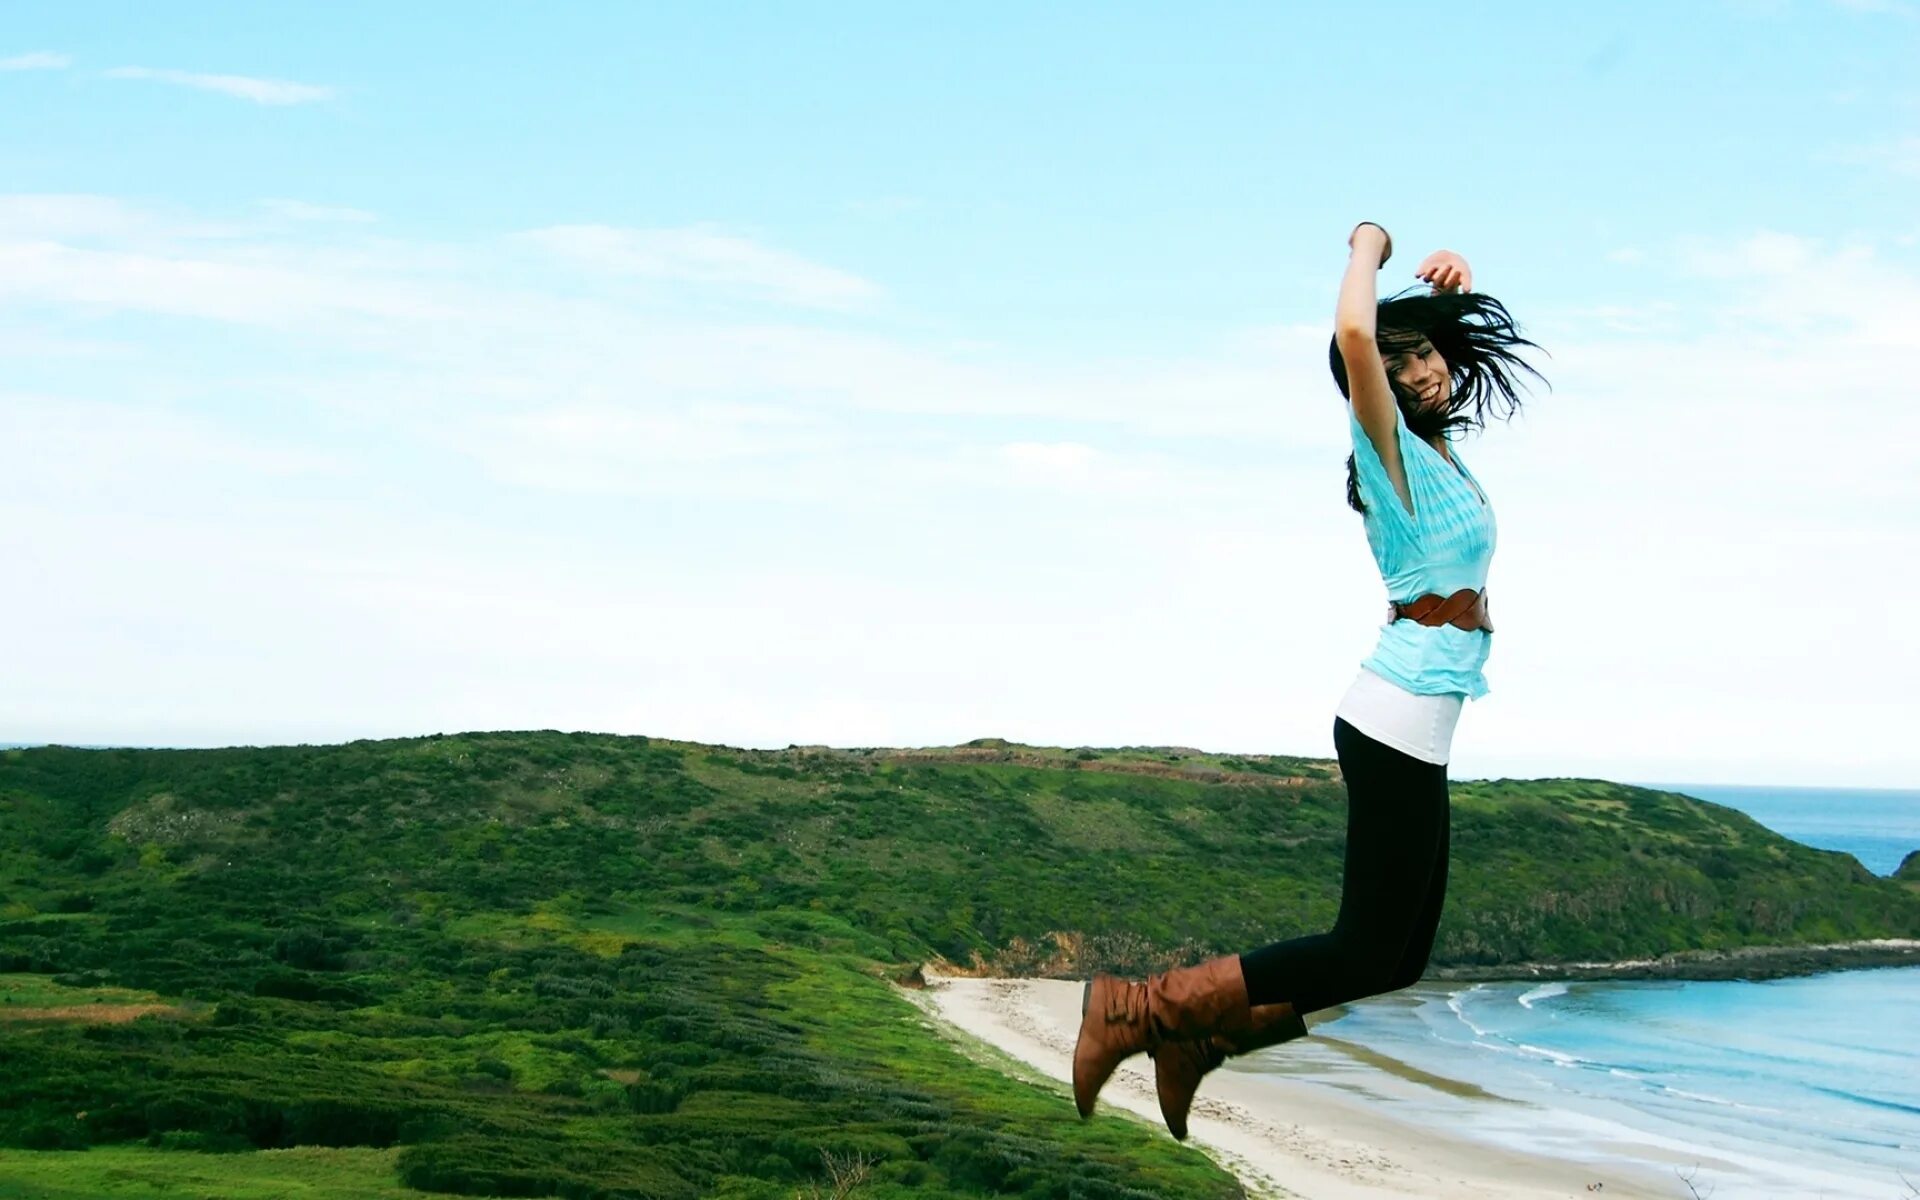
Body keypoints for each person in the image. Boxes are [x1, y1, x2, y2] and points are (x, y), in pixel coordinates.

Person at [1071, 220, 1546, 1140]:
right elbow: (1358, 337)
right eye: (1399, 367)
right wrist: (1369, 243)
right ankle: (1142, 1009)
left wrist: (1442, 299)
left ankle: (1204, 1043)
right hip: (1393, 715)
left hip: (1422, 723)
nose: (1419, 374)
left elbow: (1397, 339)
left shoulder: (1443, 453)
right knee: (1362, 945)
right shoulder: (1388, 447)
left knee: (1398, 961)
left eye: (1428, 358)